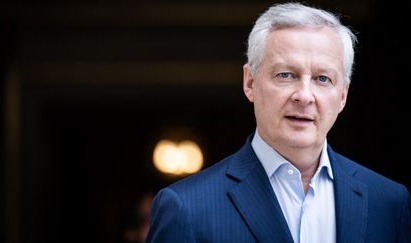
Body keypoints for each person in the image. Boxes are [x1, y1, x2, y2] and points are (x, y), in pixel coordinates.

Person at [146, 2, 411, 242]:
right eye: (286, 75)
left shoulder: (388, 203)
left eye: (322, 79)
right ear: (250, 82)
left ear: (343, 95)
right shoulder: (187, 208)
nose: (304, 96)